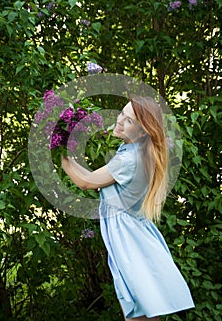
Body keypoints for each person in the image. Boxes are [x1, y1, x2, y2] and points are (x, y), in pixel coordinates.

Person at [61, 96, 195, 320]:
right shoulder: (135, 153)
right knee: (144, 305)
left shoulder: (128, 160)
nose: (120, 121)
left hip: (129, 238)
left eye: (129, 120)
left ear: (143, 131)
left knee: (139, 308)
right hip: (135, 234)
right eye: (122, 113)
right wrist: (66, 151)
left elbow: (85, 182)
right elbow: (93, 177)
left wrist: (61, 155)